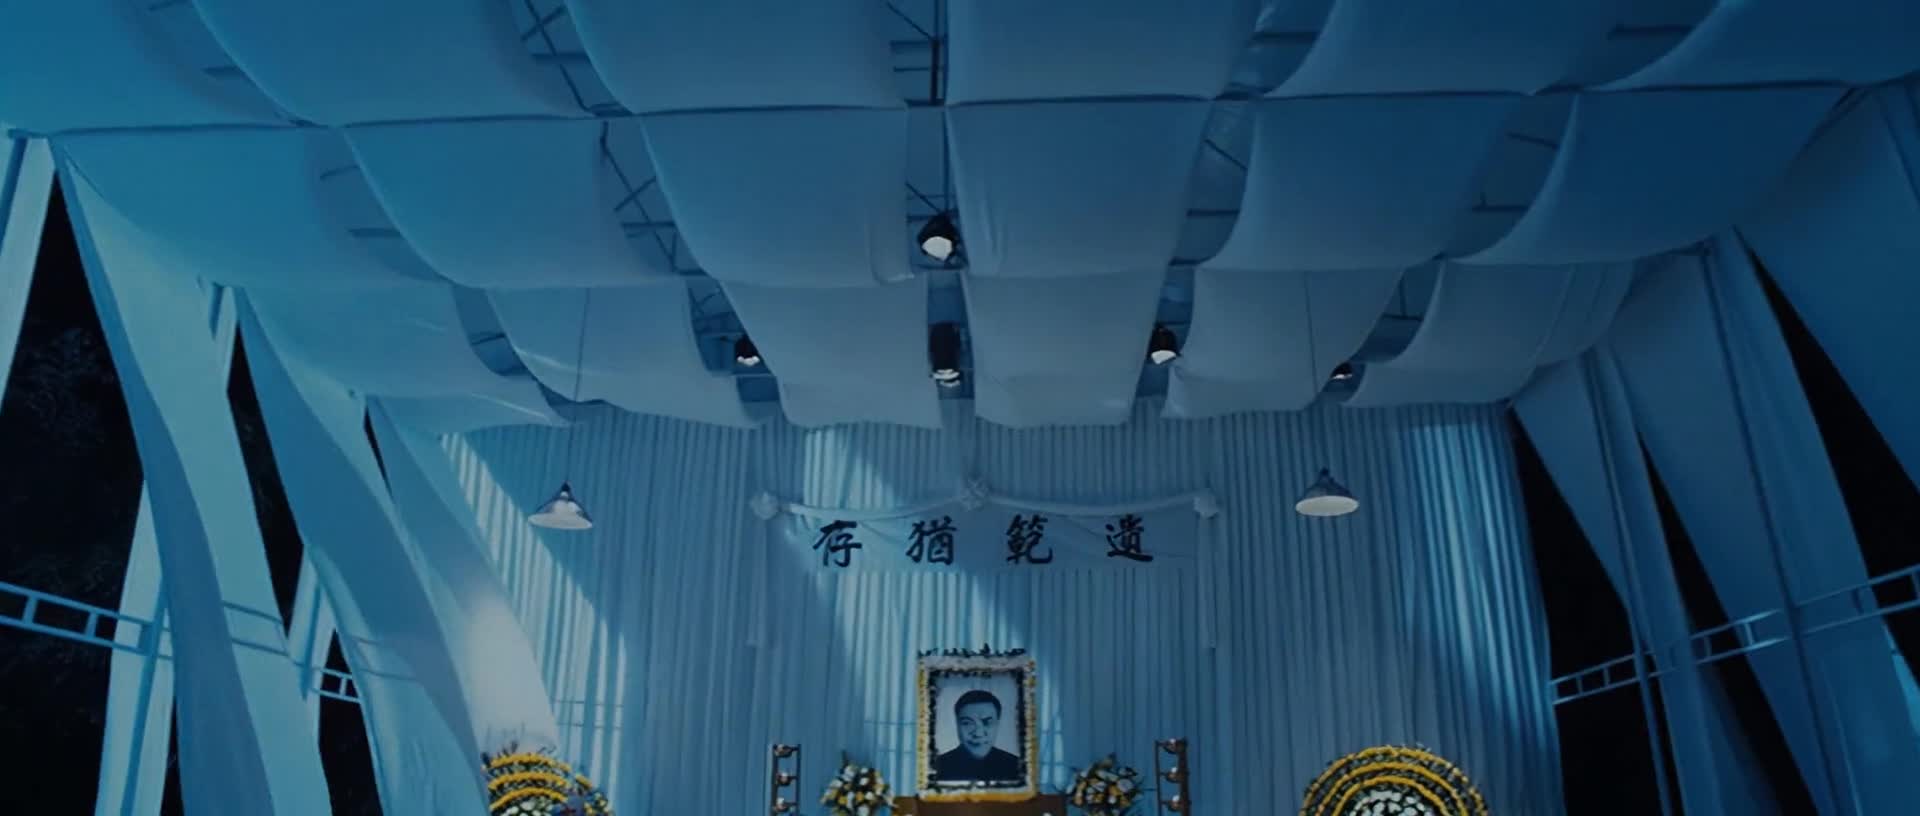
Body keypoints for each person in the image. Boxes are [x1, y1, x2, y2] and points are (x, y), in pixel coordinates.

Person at [932, 689, 1023, 782]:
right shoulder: (936, 768)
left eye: (987, 722)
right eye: (967, 723)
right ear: (957, 724)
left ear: (998, 723)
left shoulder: (1018, 767)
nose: (978, 733)